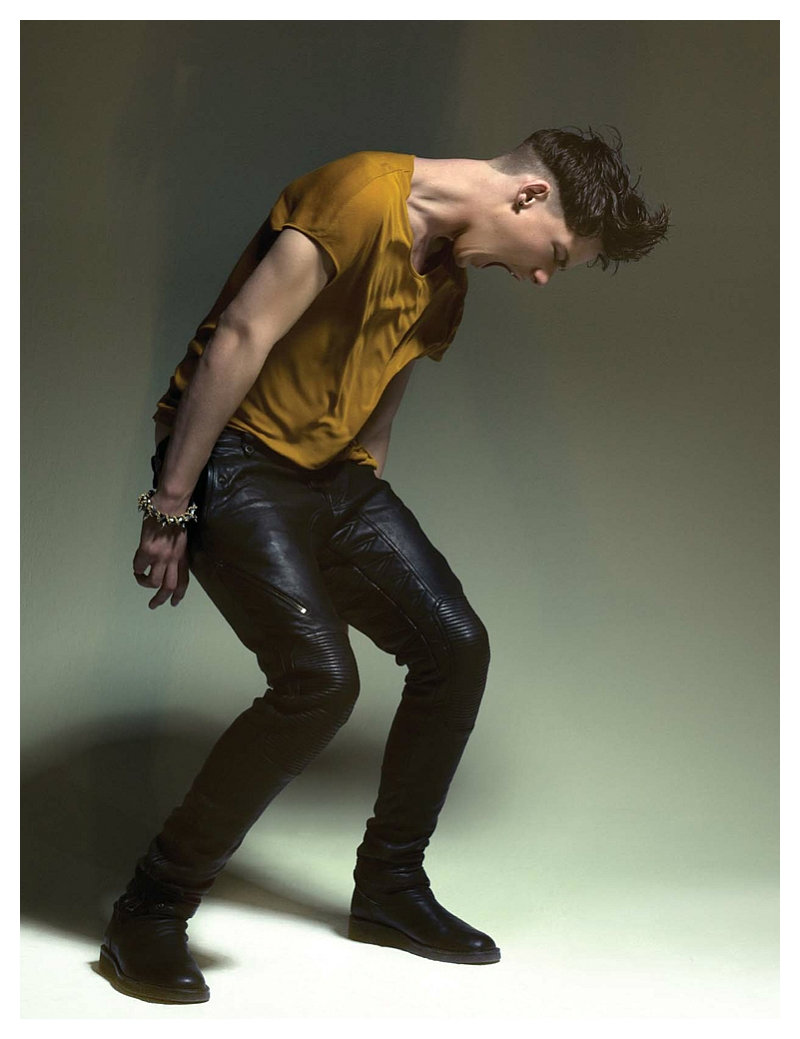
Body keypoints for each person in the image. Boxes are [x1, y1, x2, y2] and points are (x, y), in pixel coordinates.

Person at [98, 127, 669, 1004]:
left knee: (456, 646)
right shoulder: (360, 195)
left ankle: (390, 888)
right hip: (235, 457)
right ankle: (152, 905)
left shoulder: (449, 280)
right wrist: (172, 504)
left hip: (332, 478)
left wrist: (358, 521)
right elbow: (242, 335)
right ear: (528, 197)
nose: (542, 277)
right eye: (555, 254)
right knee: (319, 683)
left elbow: (381, 402)